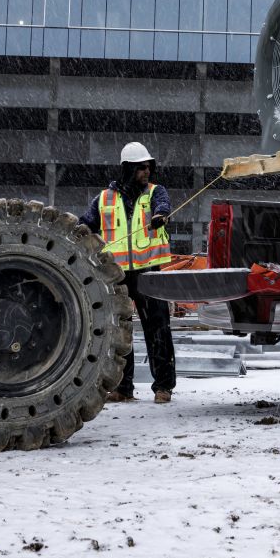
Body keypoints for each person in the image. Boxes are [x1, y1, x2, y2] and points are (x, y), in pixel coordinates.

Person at [82, 141, 177, 404]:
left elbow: (163, 205)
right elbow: (84, 225)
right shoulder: (103, 199)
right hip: (117, 276)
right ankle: (123, 388)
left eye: (149, 167)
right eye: (141, 168)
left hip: (149, 273)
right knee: (119, 333)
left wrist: (161, 215)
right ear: (127, 170)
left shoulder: (155, 193)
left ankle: (163, 386)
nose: (147, 172)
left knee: (158, 330)